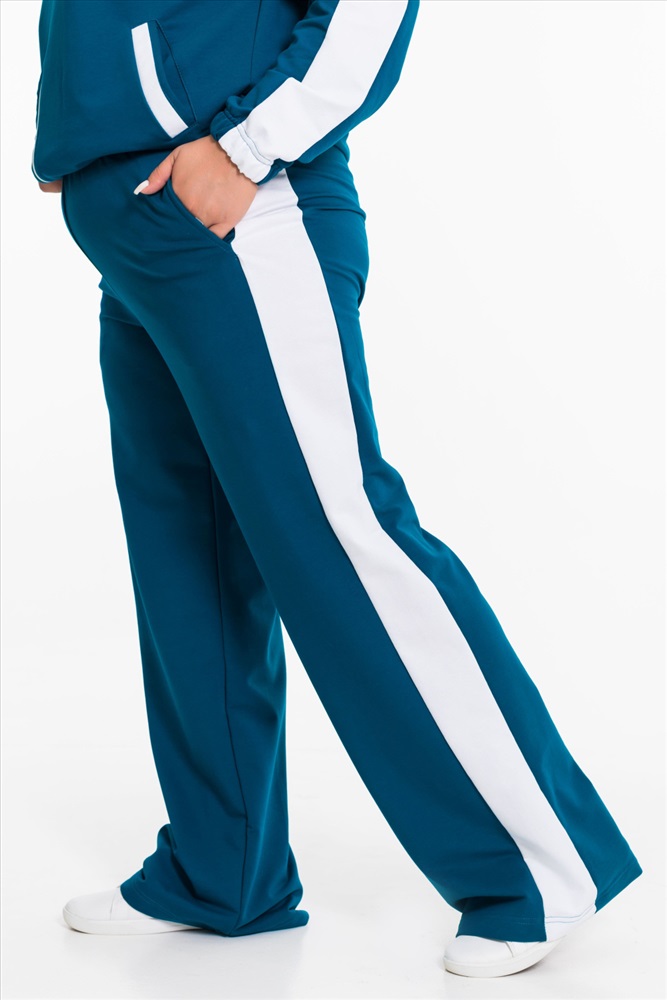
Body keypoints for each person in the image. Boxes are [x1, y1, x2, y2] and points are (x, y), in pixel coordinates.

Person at [32, 0, 642, 980]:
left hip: (237, 205)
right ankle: (223, 870)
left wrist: (246, 146)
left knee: (339, 538)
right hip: (136, 218)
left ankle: (540, 866)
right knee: (188, 550)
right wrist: (72, 120)